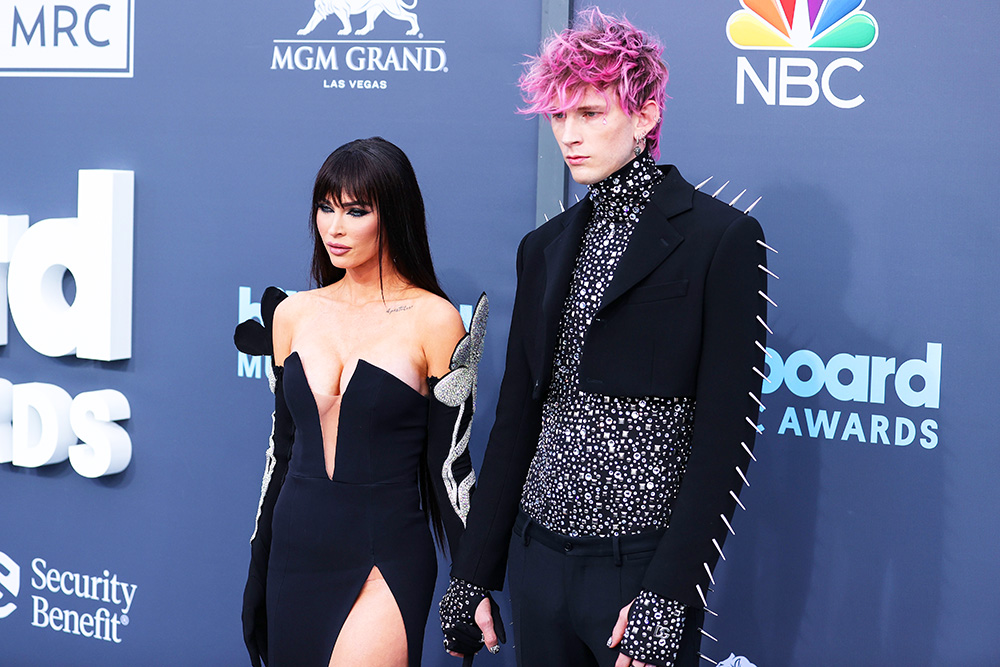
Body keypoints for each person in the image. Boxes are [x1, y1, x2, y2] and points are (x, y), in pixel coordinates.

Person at [439, 9, 770, 667]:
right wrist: (472, 571)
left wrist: (668, 592)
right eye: (558, 117)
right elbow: (515, 422)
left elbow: (726, 435)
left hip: (638, 567)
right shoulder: (543, 247)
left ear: (646, 113)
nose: (569, 135)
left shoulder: (721, 240)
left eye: (590, 113)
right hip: (536, 562)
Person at [234, 137, 488, 667]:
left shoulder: (434, 319)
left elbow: (451, 469)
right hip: (294, 552)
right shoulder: (294, 314)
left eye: (356, 210)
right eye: (326, 208)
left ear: (392, 215)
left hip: (385, 554)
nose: (335, 227)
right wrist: (258, 570)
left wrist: (472, 582)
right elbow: (278, 459)